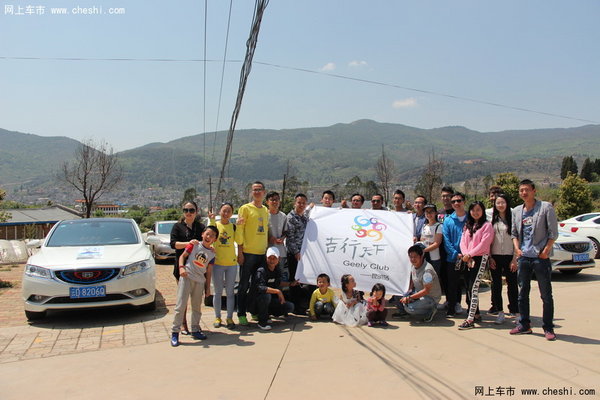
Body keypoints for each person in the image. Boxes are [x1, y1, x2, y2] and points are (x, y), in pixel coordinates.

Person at [510, 179, 558, 340]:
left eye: (527, 190)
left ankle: (548, 327)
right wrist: (517, 249)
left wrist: (546, 251)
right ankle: (524, 324)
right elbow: (514, 233)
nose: (524, 193)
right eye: (521, 190)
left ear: (533, 191)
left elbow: (553, 233)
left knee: (545, 294)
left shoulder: (545, 208)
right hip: (524, 257)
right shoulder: (517, 211)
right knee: (522, 293)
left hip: (540, 258)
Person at [170, 226, 218, 346]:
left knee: (197, 307)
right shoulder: (194, 245)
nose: (209, 237)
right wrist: (181, 268)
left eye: (212, 236)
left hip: (200, 281)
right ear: (202, 234)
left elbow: (209, 271)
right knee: (180, 306)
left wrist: (208, 288)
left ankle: (195, 329)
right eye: (207, 234)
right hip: (187, 277)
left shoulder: (212, 254)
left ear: (215, 240)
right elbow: (182, 257)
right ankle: (175, 332)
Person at [170, 201, 206, 335]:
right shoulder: (177, 227)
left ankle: (195, 326)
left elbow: (206, 242)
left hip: (198, 269)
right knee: (182, 299)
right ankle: (183, 325)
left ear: (196, 211)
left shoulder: (201, 227)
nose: (189, 213)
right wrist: (188, 243)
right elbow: (173, 244)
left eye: (191, 210)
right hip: (182, 268)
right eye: (186, 210)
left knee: (196, 301)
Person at [236, 181, 270, 326]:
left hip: (261, 254)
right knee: (244, 286)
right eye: (254, 190)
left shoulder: (265, 210)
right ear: (251, 192)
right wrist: (240, 252)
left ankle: (253, 310)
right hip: (248, 253)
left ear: (264, 192)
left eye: (259, 190)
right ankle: (241, 313)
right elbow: (240, 231)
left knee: (257, 286)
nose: (256, 192)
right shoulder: (245, 208)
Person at [457, 201, 494, 330]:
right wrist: (466, 254)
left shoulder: (487, 225)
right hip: (467, 258)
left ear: (482, 211)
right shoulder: (468, 225)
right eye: (473, 210)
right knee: (468, 286)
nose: (475, 212)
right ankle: (476, 313)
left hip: (479, 258)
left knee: (474, 287)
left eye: (478, 210)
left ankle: (470, 319)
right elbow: (462, 241)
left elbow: (484, 244)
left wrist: (470, 254)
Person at [209, 203, 243, 329]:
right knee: (217, 293)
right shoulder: (216, 225)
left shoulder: (233, 227)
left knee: (230, 293)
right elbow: (210, 237)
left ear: (231, 213)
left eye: (229, 211)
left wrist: (239, 227)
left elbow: (239, 241)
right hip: (217, 264)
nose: (226, 213)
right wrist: (212, 220)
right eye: (224, 211)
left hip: (231, 264)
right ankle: (217, 317)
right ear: (220, 211)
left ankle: (229, 317)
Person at [249, 247, 296, 331]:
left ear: (278, 259)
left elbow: (278, 283)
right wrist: (278, 292)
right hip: (255, 303)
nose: (272, 260)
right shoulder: (261, 270)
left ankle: (267, 315)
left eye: (274, 258)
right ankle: (262, 322)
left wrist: (290, 284)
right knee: (266, 296)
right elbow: (260, 287)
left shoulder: (277, 270)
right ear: (266, 258)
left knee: (289, 306)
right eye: (269, 258)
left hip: (269, 301)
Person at [489, 194, 519, 325]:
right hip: (495, 256)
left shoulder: (513, 220)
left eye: (503, 202)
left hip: (509, 256)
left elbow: (517, 240)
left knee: (512, 284)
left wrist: (514, 259)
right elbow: (489, 241)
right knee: (496, 285)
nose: (500, 205)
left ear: (507, 204)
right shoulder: (492, 221)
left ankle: (516, 312)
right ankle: (500, 312)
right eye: (498, 203)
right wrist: (490, 257)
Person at [398, 245, 442, 322]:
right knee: (398, 296)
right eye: (411, 257)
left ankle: (431, 310)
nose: (413, 259)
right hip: (419, 292)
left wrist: (410, 298)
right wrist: (408, 292)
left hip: (430, 297)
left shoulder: (427, 271)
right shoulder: (414, 265)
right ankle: (409, 309)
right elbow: (413, 278)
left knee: (409, 308)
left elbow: (426, 291)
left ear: (421, 256)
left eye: (415, 257)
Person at [285, 193, 311, 314]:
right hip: (294, 254)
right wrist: (296, 252)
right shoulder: (290, 217)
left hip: (304, 254)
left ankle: (303, 305)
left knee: (303, 281)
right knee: (294, 281)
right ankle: (295, 307)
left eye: (303, 203)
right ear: (294, 203)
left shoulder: (304, 217)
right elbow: (290, 237)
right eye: (299, 202)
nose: (301, 205)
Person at [443, 192, 467, 317]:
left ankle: (474, 311)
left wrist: (467, 254)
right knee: (452, 284)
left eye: (459, 201)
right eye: (453, 202)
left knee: (469, 285)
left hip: (469, 257)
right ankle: (452, 307)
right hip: (453, 258)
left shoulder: (471, 218)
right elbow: (446, 240)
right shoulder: (447, 220)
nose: (456, 203)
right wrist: (455, 253)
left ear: (464, 202)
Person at [419, 204, 443, 278]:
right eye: (427, 212)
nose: (429, 214)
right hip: (424, 257)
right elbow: (422, 239)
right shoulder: (424, 226)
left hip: (435, 258)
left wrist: (424, 250)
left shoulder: (439, 226)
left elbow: (437, 243)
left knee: (434, 278)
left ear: (435, 213)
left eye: (431, 212)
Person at [266, 191, 287, 271]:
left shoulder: (283, 216)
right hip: (267, 251)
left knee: (279, 276)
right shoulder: (264, 215)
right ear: (267, 202)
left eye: (277, 199)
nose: (275, 202)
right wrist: (269, 238)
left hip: (280, 252)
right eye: (272, 200)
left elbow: (285, 231)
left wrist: (282, 238)